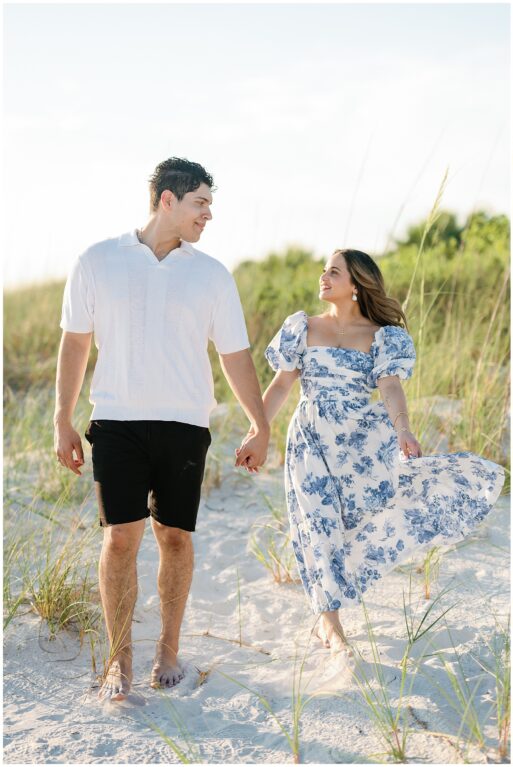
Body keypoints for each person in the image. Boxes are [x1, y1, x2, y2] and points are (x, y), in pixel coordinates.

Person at [54, 157, 271, 703]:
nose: (208, 214)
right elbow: (76, 342)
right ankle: (119, 660)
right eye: (200, 203)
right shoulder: (97, 260)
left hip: (184, 424)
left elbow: (234, 354)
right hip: (117, 422)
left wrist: (258, 423)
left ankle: (168, 650)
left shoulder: (212, 274)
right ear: (167, 200)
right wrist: (62, 417)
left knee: (174, 536)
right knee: (120, 538)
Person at [256, 248, 504, 654]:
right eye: (324, 270)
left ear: (356, 285)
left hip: (358, 442)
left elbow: (389, 386)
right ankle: (330, 621)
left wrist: (403, 429)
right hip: (309, 439)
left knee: (354, 522)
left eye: (333, 272)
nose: (324, 276)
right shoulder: (302, 327)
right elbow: (282, 385)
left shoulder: (380, 336)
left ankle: (329, 608)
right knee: (317, 525)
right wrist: (258, 431)